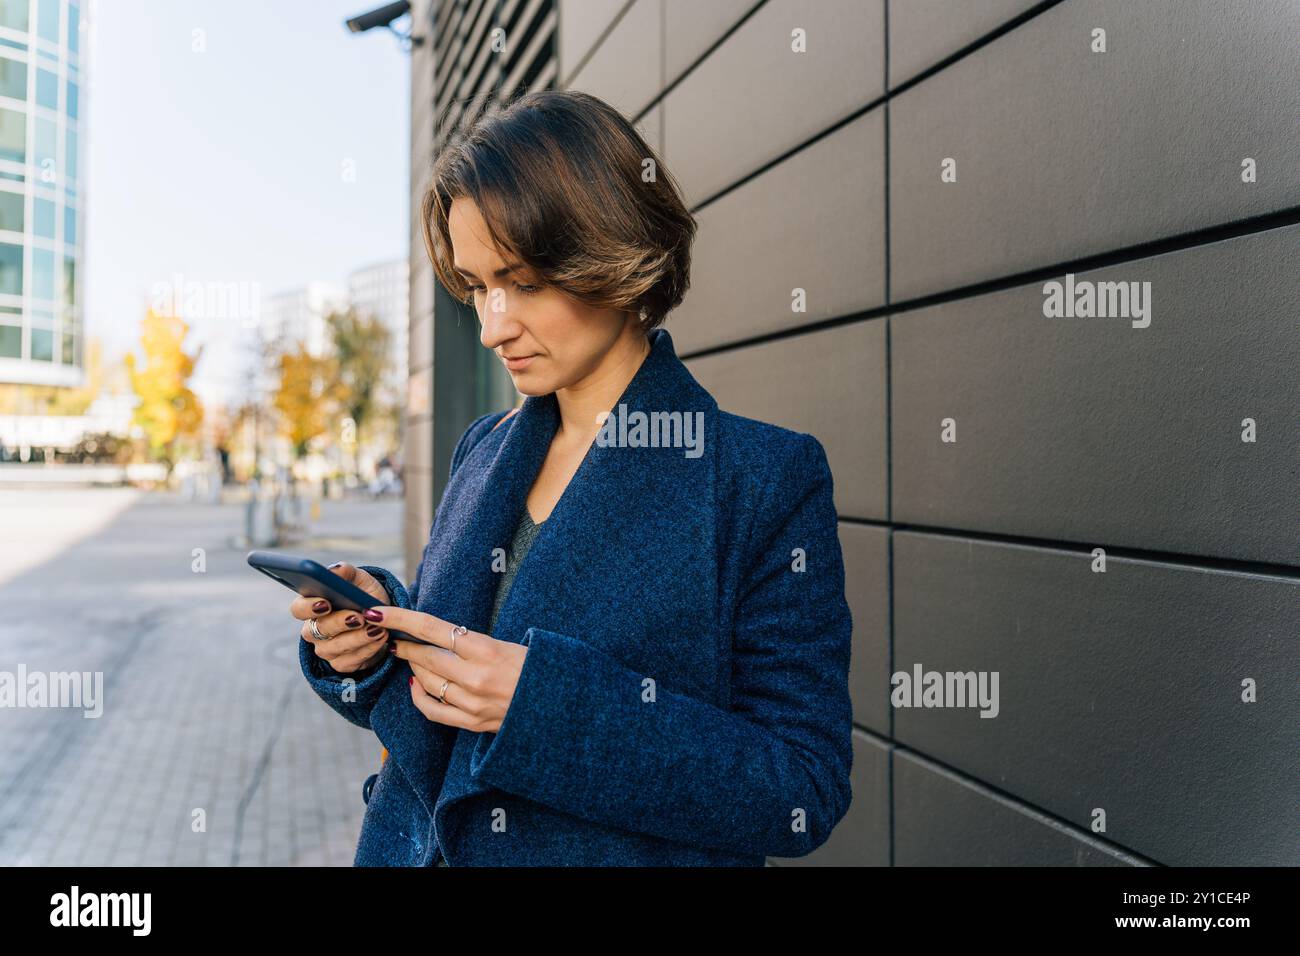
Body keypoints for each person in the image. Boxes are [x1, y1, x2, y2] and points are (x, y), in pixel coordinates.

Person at [288, 89, 854, 867]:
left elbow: (800, 790)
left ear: (613, 253)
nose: (492, 326)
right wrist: (376, 643)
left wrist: (543, 709)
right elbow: (446, 715)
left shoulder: (760, 481)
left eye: (520, 282)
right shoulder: (484, 450)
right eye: (477, 285)